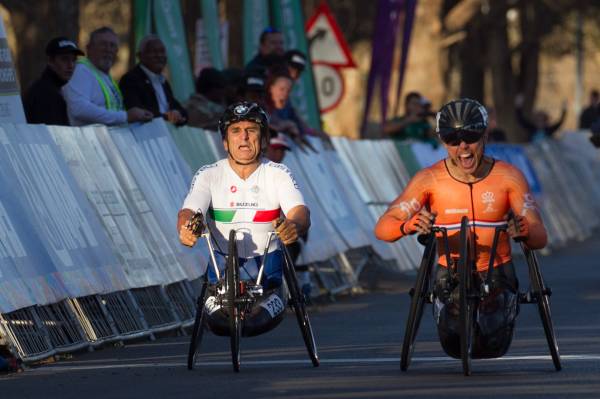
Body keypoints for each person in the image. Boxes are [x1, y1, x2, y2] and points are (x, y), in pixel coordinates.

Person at [375, 98, 548, 359]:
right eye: (452, 139)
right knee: (454, 342)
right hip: (450, 270)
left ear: (485, 134)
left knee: (492, 339)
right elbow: (383, 228)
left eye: (470, 136)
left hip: (497, 268)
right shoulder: (428, 179)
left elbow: (540, 237)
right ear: (442, 141)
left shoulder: (509, 176)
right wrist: (408, 225)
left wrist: (523, 229)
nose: (463, 147)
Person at [177, 101, 311, 336]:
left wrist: (294, 226)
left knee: (251, 324)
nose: (244, 138)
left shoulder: (278, 174)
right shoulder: (208, 175)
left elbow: (300, 211)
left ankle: (274, 298)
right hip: (222, 269)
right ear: (225, 141)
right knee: (222, 324)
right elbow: (189, 211)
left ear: (264, 138)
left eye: (252, 130)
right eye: (236, 131)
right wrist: (187, 228)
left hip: (266, 267)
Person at [63, 26, 152, 126]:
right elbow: (79, 108)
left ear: (116, 51)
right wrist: (125, 116)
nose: (108, 49)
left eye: (112, 45)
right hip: (87, 140)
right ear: (89, 48)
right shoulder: (81, 71)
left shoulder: (105, 76)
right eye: (103, 44)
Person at [119, 35, 187, 126]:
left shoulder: (163, 82)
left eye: (162, 51)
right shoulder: (130, 79)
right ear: (140, 56)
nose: (159, 55)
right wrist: (169, 117)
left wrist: (177, 113)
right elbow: (137, 110)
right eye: (154, 51)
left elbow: (183, 112)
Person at [23, 37, 84, 125]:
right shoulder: (45, 94)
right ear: (50, 61)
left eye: (74, 60)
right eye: (64, 59)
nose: (70, 65)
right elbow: (53, 135)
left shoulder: (54, 89)